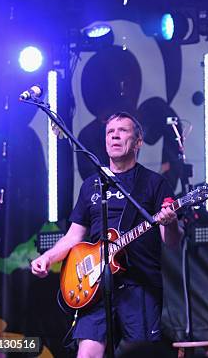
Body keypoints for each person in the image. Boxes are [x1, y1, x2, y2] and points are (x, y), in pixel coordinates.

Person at [31, 112, 182, 358]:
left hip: (139, 286)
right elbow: (73, 237)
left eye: (122, 130)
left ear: (138, 141)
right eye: (110, 132)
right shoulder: (92, 185)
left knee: (139, 354)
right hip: (96, 284)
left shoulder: (153, 183)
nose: (114, 135)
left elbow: (172, 241)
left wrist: (171, 223)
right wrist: (47, 258)